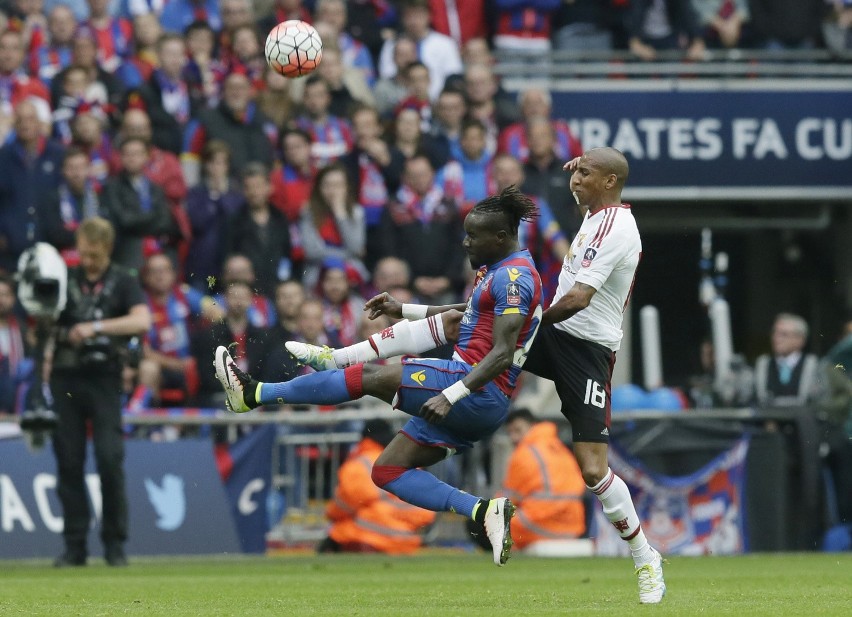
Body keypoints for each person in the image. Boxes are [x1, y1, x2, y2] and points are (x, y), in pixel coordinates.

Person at [297, 148, 667, 603]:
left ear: (610, 182)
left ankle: (646, 558)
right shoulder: (593, 216)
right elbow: (487, 312)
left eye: (586, 174)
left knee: (593, 468)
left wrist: (526, 323)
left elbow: (578, 300)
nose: (576, 181)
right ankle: (337, 358)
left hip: (587, 352)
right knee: (471, 321)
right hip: (551, 334)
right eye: (576, 172)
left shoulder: (617, 228)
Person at [216, 186, 544, 567]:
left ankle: (255, 393)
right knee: (387, 470)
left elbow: (502, 353)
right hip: (481, 401)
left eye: (474, 236)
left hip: (472, 386)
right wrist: (402, 308)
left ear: (501, 237)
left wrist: (451, 394)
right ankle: (482, 510)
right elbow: (467, 313)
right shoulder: (499, 271)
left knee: (370, 376)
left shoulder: (516, 278)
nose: (465, 242)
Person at [49, 217, 152, 567]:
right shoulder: (66, 277)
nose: (87, 261)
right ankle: (74, 545)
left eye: (93, 255)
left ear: (107, 249)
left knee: (110, 458)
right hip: (66, 377)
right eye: (83, 254)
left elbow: (142, 321)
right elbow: (47, 319)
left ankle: (114, 543)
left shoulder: (123, 280)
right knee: (69, 460)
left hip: (104, 377)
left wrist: (94, 328)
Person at [470, 408, 586, 552]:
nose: (513, 437)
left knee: (480, 519)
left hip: (539, 525)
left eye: (517, 430)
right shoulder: (560, 449)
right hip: (573, 527)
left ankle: (498, 565)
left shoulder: (524, 454)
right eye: (510, 432)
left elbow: (506, 501)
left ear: (532, 426)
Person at [318, 418, 436, 554]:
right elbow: (428, 510)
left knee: (339, 529)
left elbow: (344, 503)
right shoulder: (408, 461)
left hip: (376, 535)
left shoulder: (360, 463)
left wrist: (331, 517)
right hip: (408, 536)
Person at [753, 313, 824, 408]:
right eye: (774, 333)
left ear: (800, 339)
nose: (776, 339)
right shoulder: (763, 365)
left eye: (783, 334)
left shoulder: (814, 366)